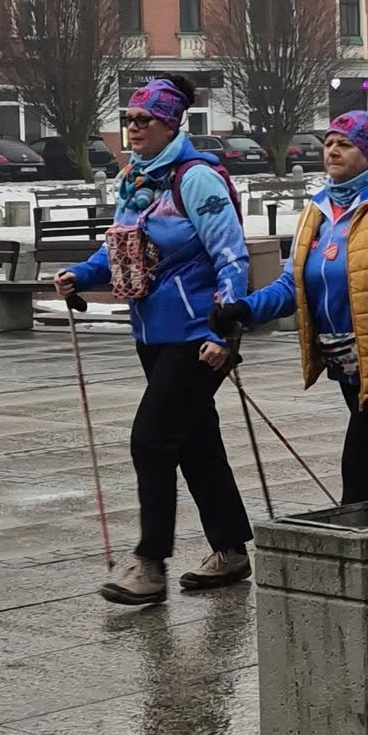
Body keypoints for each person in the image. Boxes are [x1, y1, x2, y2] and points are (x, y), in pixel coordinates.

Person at [55, 76, 253, 605]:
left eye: (144, 120)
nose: (133, 127)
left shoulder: (197, 180)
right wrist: (82, 274)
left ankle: (150, 561)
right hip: (152, 332)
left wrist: (225, 330)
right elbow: (123, 253)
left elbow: (232, 258)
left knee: (151, 438)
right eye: (129, 119)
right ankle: (231, 550)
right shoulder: (136, 180)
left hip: (197, 336)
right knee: (195, 440)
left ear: (171, 124)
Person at [211, 111, 368, 504]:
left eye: (345, 144)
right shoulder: (317, 211)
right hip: (343, 359)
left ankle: (359, 544)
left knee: (359, 461)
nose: (332, 151)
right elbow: (293, 285)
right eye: (329, 143)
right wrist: (245, 310)